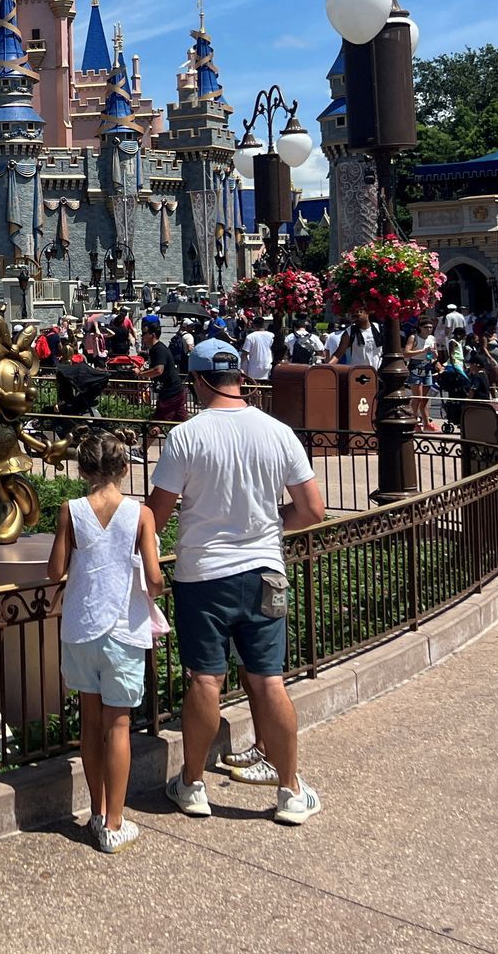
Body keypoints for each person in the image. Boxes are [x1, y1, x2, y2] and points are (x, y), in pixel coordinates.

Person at [146, 338, 328, 826]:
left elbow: (156, 516)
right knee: (268, 679)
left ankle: (193, 785)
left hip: (204, 575)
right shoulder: (277, 432)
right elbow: (312, 509)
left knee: (206, 679)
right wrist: (270, 525)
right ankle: (290, 790)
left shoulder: (187, 436)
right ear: (239, 378)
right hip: (265, 570)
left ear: (199, 380)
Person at [45, 434, 163, 854]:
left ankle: (96, 812)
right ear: (124, 469)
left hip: (80, 626)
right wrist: (158, 585)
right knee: (119, 725)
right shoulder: (140, 514)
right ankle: (115, 822)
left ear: (82, 470)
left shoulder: (70, 511)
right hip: (122, 628)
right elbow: (153, 577)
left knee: (91, 723)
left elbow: (55, 570)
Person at [141, 316, 187, 423]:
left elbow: (158, 370)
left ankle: (145, 439)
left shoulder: (159, 349)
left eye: (144, 333)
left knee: (157, 422)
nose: (142, 336)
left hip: (171, 392)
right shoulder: (154, 349)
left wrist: (141, 374)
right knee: (181, 421)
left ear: (152, 335)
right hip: (174, 391)